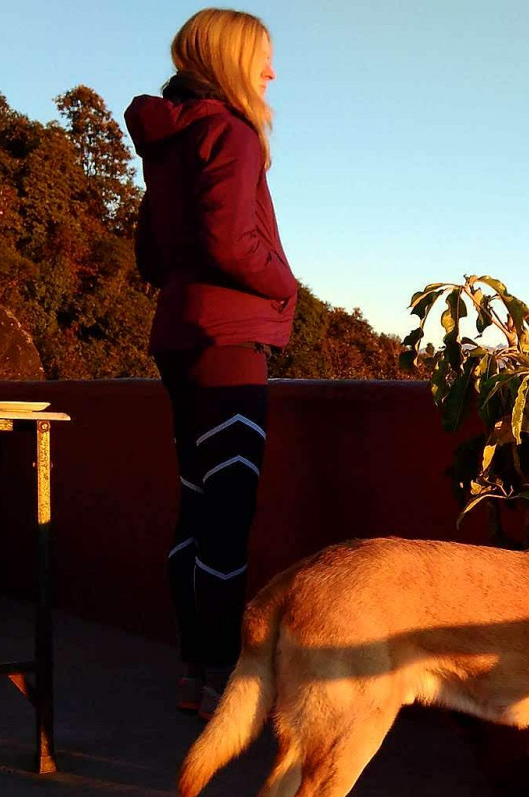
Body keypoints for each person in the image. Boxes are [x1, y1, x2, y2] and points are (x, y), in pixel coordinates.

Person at [125, 9, 297, 719]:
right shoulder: (230, 132)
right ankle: (225, 679)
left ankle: (194, 670)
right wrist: (285, 285)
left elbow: (147, 251)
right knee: (229, 511)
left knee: (197, 507)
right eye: (264, 57)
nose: (272, 72)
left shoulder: (169, 138)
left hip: (178, 336)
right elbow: (231, 243)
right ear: (231, 59)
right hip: (228, 345)